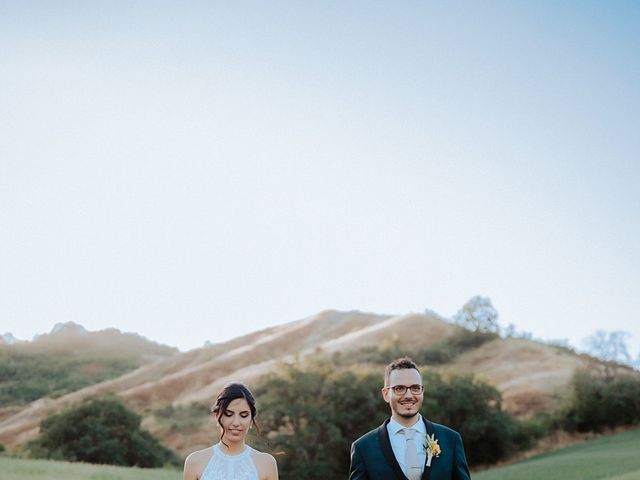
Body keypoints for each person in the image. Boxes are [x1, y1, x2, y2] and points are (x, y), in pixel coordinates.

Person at [349, 357, 471, 480]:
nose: (408, 395)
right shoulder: (363, 448)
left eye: (415, 388)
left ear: (422, 391)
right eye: (399, 388)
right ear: (386, 394)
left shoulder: (450, 439)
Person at [183, 382, 278, 480]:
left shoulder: (267, 464)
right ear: (217, 416)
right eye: (228, 414)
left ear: (251, 420)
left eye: (244, 415)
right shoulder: (194, 462)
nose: (236, 422)